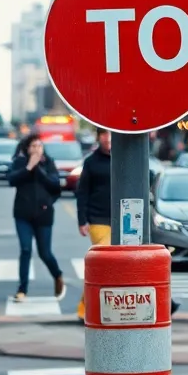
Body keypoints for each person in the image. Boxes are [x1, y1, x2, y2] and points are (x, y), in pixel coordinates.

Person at [8, 134, 66, 302]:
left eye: (39, 146)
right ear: (27, 149)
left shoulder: (48, 163)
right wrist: (28, 167)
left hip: (44, 215)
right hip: (22, 214)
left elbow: (55, 185)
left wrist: (38, 170)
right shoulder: (20, 163)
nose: (36, 149)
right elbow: (11, 180)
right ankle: (22, 289)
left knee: (45, 252)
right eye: (33, 146)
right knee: (25, 250)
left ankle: (58, 275)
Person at [75, 129, 113, 321]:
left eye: (112, 135)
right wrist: (82, 220)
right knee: (102, 261)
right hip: (98, 219)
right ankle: (84, 307)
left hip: (125, 220)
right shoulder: (91, 162)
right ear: (99, 138)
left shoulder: (126, 159)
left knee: (119, 267)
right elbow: (82, 192)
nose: (109, 139)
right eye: (104, 135)